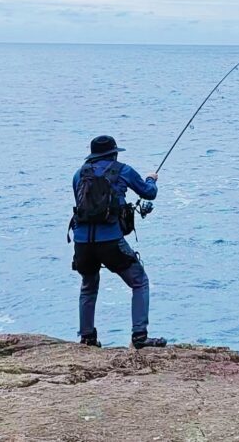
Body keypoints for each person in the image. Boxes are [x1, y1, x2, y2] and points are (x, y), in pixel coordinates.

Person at [70, 135, 166, 349]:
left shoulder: (79, 174)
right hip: (111, 241)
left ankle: (87, 338)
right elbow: (149, 193)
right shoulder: (123, 170)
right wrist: (151, 179)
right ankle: (139, 336)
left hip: (82, 243)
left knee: (88, 285)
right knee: (139, 281)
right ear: (113, 153)